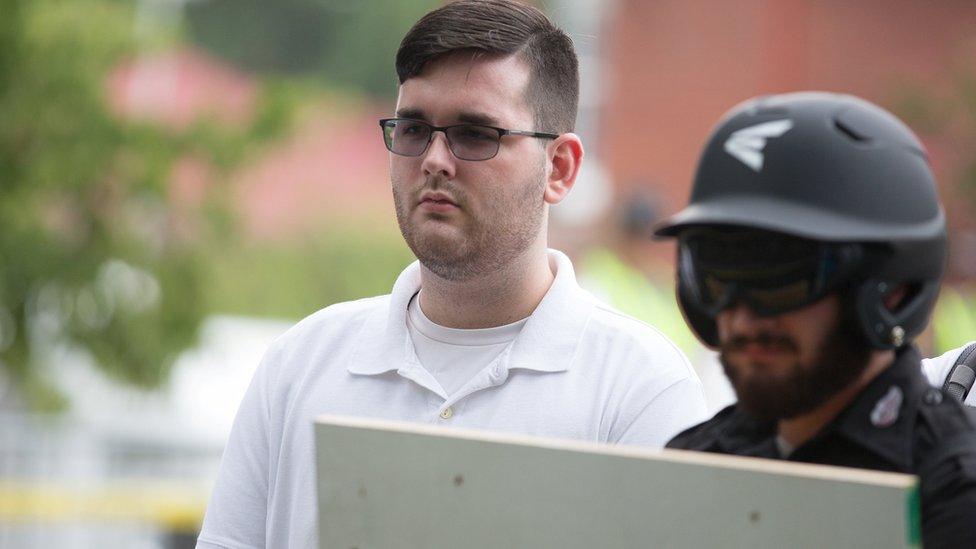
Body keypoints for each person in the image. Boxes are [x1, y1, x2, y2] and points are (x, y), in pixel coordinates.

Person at [196, 2, 707, 547]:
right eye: (414, 128)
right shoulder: (298, 366)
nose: (436, 159)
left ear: (559, 168)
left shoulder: (639, 390)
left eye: (475, 133)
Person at [656, 92, 976, 547]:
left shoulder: (954, 492)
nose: (742, 317)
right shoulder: (698, 461)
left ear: (891, 287)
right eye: (718, 275)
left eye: (781, 276)